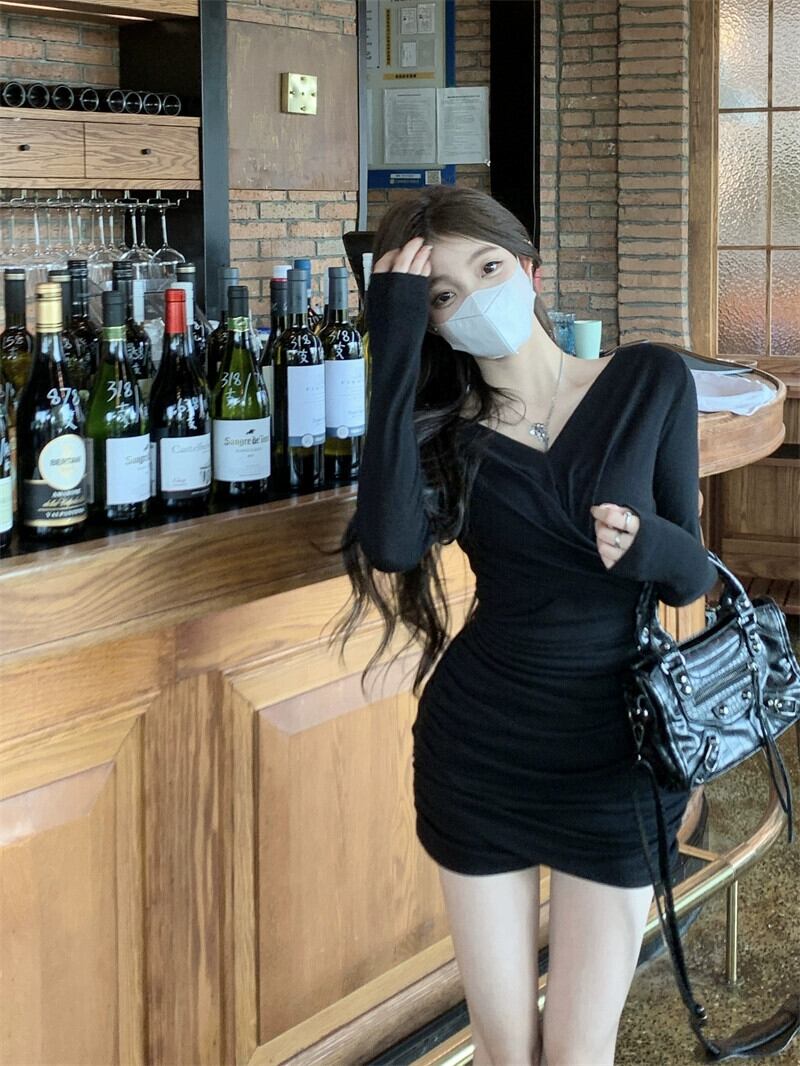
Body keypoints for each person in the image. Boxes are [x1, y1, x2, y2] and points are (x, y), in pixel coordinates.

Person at [327, 185, 718, 1066]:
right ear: (429, 323)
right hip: (481, 754)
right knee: (508, 1056)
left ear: (532, 272)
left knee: (577, 1055)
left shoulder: (647, 380)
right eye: (442, 295)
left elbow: (691, 575)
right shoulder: (446, 436)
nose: (474, 298)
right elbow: (391, 546)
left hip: (618, 756)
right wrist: (391, 345)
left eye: (489, 268)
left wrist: (650, 544)